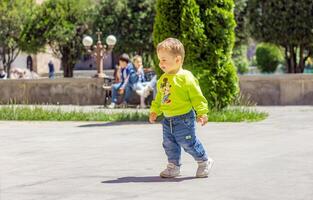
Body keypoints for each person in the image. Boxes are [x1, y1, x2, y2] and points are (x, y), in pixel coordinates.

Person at [149, 38, 214, 178]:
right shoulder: (163, 79)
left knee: (188, 142)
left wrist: (202, 112)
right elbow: (160, 98)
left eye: (164, 60)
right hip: (167, 119)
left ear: (177, 60)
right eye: (160, 60)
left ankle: (204, 161)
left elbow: (197, 96)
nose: (160, 63)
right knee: (169, 144)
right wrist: (155, 111)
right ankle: (173, 166)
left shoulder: (186, 77)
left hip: (184, 118)